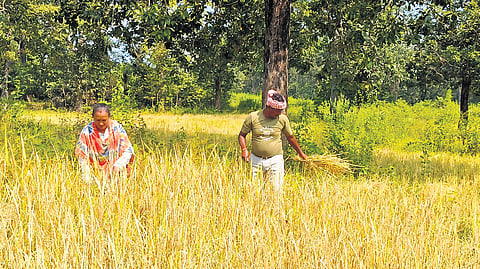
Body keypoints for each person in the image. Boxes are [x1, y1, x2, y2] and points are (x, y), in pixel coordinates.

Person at [238, 89, 307, 192]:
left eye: (281, 111)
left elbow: (291, 138)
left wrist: (301, 153)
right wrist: (244, 149)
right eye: (277, 110)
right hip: (256, 160)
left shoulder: (282, 119)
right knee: (254, 191)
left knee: (276, 190)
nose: (280, 113)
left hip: (275, 160)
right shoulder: (253, 117)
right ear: (269, 107)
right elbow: (241, 135)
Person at [75, 103, 134, 183]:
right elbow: (82, 156)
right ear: (93, 118)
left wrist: (119, 165)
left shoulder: (117, 129)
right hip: (94, 177)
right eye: (98, 120)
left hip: (115, 177)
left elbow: (128, 151)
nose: (101, 123)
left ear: (108, 117)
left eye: (104, 120)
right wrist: (87, 178)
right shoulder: (87, 132)